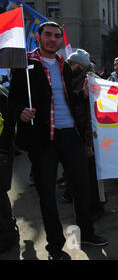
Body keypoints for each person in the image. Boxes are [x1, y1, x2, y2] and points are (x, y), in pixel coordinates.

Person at [8, 22, 108, 260]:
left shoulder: (64, 65)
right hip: (43, 139)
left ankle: (87, 233)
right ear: (38, 37)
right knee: (47, 196)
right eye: (48, 35)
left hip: (70, 135)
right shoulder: (25, 64)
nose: (53, 39)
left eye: (57, 36)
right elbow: (12, 101)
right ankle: (55, 247)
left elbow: (67, 98)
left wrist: (81, 94)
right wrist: (21, 110)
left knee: (82, 189)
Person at [67, 49, 104, 218]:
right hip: (80, 132)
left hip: (89, 134)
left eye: (71, 63)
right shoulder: (75, 79)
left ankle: (96, 207)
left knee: (91, 174)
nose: (69, 67)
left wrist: (89, 142)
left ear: (80, 65)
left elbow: (92, 115)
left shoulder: (90, 81)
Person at [0, 84, 19, 253]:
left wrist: (4, 149)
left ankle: (8, 235)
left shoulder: (1, 94)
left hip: (2, 151)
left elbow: (9, 121)